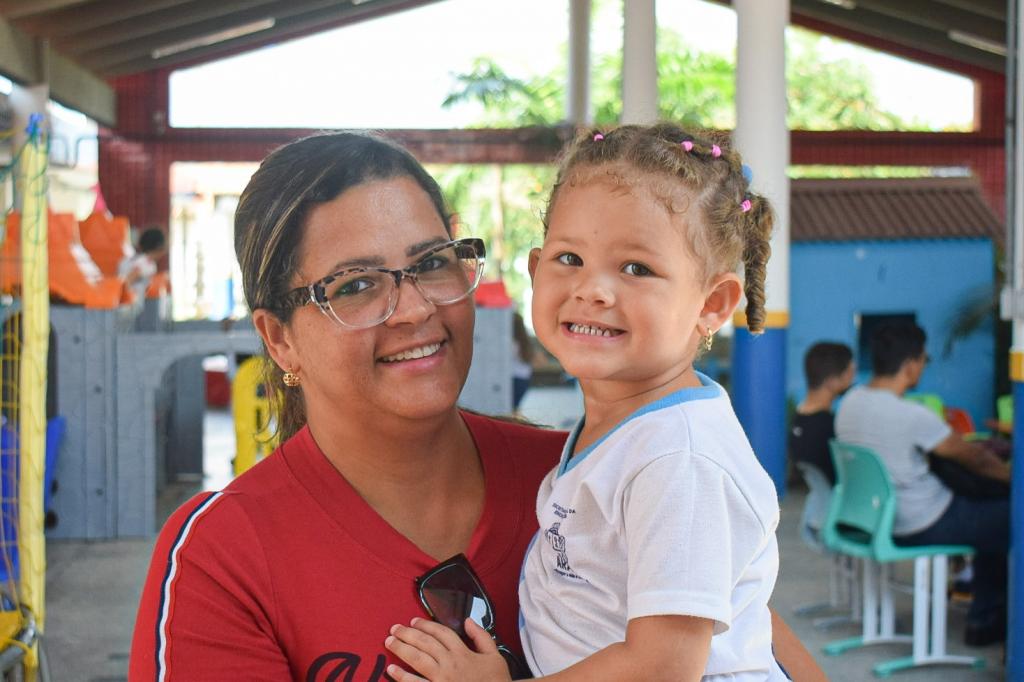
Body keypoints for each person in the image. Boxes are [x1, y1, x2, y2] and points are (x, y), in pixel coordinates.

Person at [128, 131, 823, 681]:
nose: (413, 309)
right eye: (355, 285)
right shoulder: (225, 555)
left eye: (432, 262)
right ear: (280, 339)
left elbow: (735, 648)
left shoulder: (610, 479)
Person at [386, 124, 789, 681]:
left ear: (712, 304)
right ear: (535, 270)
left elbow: (663, 666)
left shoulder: (679, 461)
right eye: (570, 258)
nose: (592, 289)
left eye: (636, 269)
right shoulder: (630, 430)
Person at [835, 320, 1010, 646]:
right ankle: (986, 618)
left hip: (873, 518)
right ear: (911, 364)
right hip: (924, 520)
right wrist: (1012, 476)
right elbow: (975, 458)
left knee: (991, 517)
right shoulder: (911, 415)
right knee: (1009, 515)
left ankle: (983, 608)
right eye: (924, 360)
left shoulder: (850, 402)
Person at [789, 342, 855, 485]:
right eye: (849, 373)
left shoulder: (798, 420)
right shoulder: (829, 427)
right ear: (831, 381)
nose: (852, 380)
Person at [118, 226, 167, 305]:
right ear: (160, 247)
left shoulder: (128, 259)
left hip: (124, 302)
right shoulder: (148, 264)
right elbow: (128, 280)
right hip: (130, 304)